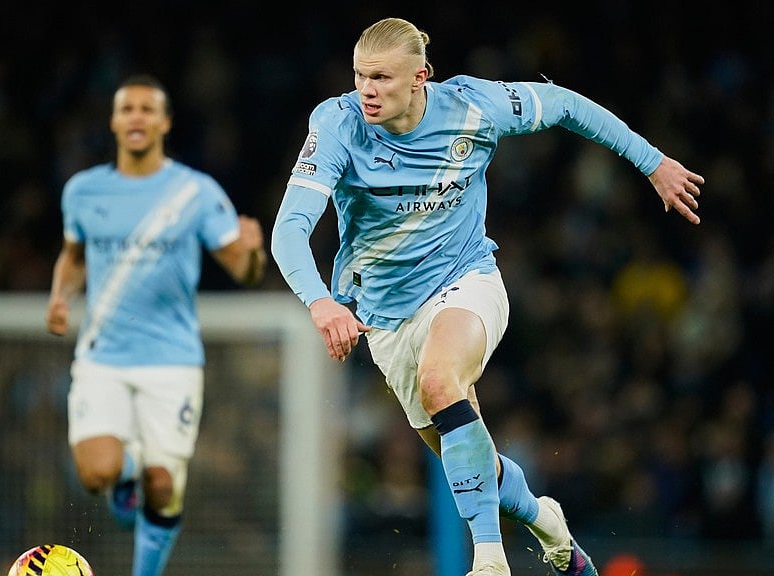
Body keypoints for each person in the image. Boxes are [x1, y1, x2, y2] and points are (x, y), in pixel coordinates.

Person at [270, 17, 703, 576]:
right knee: (469, 461)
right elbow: (289, 229)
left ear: (421, 76)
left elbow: (566, 104)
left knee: (439, 381)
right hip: (384, 317)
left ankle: (490, 561)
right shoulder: (337, 125)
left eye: (381, 77)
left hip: (465, 279)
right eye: (359, 76)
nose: (367, 90)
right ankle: (545, 519)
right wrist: (320, 301)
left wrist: (654, 162)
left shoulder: (475, 107)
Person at [46, 73, 267, 576]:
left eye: (148, 109)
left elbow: (243, 270)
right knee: (95, 472)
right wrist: (61, 295)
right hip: (103, 354)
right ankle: (130, 470)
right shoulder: (83, 191)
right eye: (128, 109)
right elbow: (74, 256)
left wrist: (253, 253)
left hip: (172, 360)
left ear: (165, 122)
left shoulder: (195, 191)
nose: (137, 117)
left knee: (163, 487)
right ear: (114, 121)